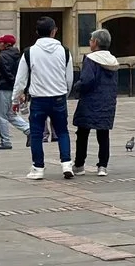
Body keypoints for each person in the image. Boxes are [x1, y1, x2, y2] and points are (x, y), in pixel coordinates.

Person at [18, 17, 71, 180]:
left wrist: (15, 99)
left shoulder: (29, 52)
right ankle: (66, 165)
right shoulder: (64, 51)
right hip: (58, 97)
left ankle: (38, 168)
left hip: (38, 99)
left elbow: (20, 79)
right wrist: (65, 93)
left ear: (37, 33)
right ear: (54, 31)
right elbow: (69, 78)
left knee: (36, 134)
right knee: (62, 131)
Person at [66, 27, 121, 178]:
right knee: (103, 134)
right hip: (107, 101)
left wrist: (77, 87)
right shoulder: (113, 61)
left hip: (90, 101)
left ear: (95, 42)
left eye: (90, 40)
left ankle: (79, 164)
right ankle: (102, 166)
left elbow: (88, 80)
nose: (89, 42)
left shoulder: (91, 59)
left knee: (82, 133)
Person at [0, 34, 24, 150]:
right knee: (11, 114)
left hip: (4, 87)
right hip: (14, 88)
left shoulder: (3, 56)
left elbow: (6, 72)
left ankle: (5, 141)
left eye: (0, 42)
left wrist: (12, 84)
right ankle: (28, 129)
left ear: (6, 44)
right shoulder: (18, 54)